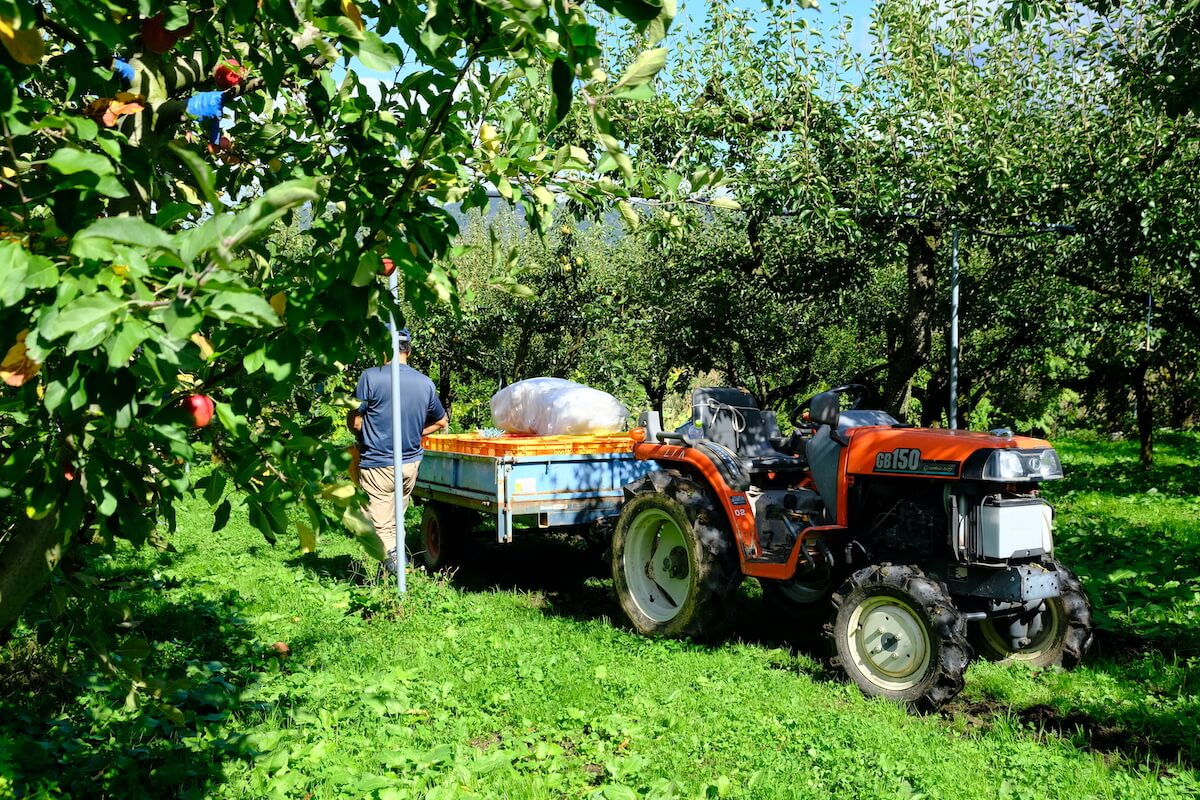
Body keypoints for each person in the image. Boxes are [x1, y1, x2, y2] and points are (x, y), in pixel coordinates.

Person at [347, 329, 449, 573]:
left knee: (378, 525)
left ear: (384, 350)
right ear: (408, 352)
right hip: (409, 465)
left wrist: (359, 431)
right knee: (395, 519)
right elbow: (441, 421)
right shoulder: (425, 382)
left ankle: (399, 571)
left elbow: (357, 422)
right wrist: (414, 433)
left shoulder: (370, 377)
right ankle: (396, 570)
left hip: (378, 463)